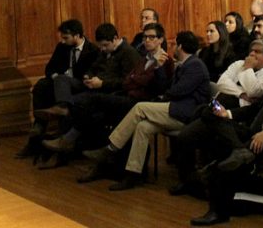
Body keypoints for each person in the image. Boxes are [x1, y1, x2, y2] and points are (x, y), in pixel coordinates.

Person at [177, 49, 263, 226]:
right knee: (210, 114)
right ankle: (239, 149)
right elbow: (255, 109)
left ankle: (218, 211)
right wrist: (228, 114)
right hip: (253, 132)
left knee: (226, 160)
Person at [82, 31, 211, 191]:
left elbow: (178, 91)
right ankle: (133, 174)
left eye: (174, 44)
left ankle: (111, 148)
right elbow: (166, 86)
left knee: (140, 107)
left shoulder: (195, 65)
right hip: (176, 110)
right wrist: (158, 67)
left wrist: (163, 96)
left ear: (181, 46)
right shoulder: (184, 64)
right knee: (142, 127)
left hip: (187, 114)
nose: (172, 47)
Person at [39, 23, 173, 154]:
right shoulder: (145, 58)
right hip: (123, 93)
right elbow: (128, 80)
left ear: (161, 39)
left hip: (139, 100)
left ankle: (68, 136)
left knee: (86, 101)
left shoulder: (161, 60)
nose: (147, 40)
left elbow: (153, 85)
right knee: (73, 95)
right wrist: (88, 76)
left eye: (151, 37)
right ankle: (67, 135)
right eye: (145, 37)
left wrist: (108, 83)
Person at [15, 19, 99, 158]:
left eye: (66, 38)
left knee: (62, 82)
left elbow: (92, 72)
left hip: (79, 84)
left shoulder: (92, 50)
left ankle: (62, 107)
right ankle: (39, 125)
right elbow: (49, 68)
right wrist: (56, 77)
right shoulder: (62, 47)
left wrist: (66, 78)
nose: (63, 41)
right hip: (60, 83)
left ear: (77, 35)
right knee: (41, 85)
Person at [215, 40, 263, 108]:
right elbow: (221, 83)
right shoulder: (239, 63)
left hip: (238, 110)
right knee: (208, 108)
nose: (251, 53)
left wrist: (249, 68)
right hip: (218, 103)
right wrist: (242, 94)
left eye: (257, 52)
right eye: (251, 50)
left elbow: (253, 92)